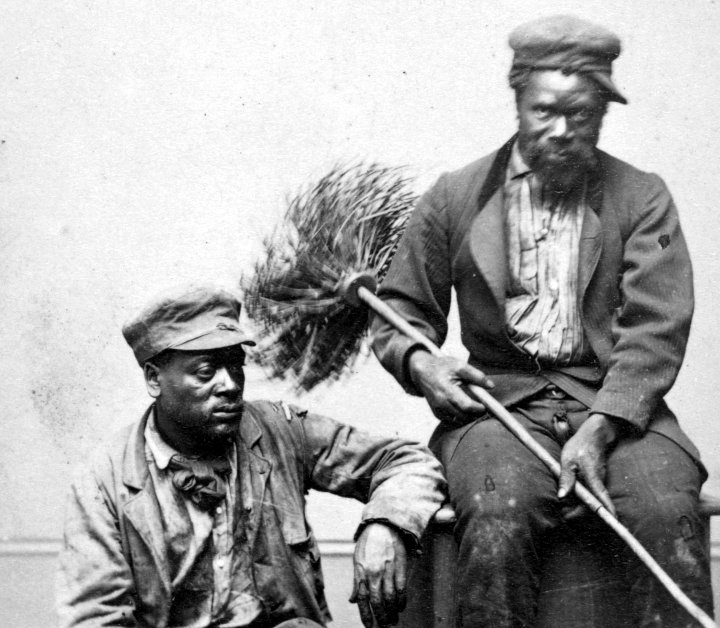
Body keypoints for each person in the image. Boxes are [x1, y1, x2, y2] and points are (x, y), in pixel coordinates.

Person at [371, 14, 714, 628]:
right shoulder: (455, 196)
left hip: (616, 407)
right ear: (518, 101)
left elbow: (656, 326)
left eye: (580, 114)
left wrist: (602, 427)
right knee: (496, 511)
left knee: (666, 509)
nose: (561, 130)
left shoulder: (642, 196)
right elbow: (400, 310)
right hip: (498, 407)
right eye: (544, 111)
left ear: (602, 113)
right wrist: (423, 364)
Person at [57, 284, 446, 628]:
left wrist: (385, 524)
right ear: (154, 378)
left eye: (235, 365)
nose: (229, 385)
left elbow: (406, 459)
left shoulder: (280, 431)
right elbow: (95, 618)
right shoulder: (105, 481)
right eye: (206, 371)